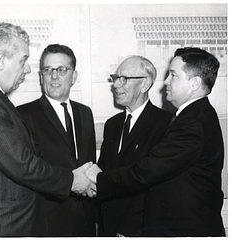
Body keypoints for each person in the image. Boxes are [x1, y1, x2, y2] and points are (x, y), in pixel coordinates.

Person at [0, 23, 95, 237]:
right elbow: (21, 163)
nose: (27, 69)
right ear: (1, 61)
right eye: (23, 60)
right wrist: (72, 180)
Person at [87, 47, 225, 237]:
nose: (165, 82)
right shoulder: (195, 116)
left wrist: (99, 179)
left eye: (173, 76)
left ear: (194, 83)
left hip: (186, 231)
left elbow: (148, 170)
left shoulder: (192, 122)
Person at [17, 44, 96, 237]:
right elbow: (31, 171)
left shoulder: (85, 113)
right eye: (48, 70)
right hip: (47, 222)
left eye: (62, 70)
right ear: (41, 76)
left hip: (85, 219)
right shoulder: (24, 114)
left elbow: (89, 163)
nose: (54, 76)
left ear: (74, 76)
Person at [96, 56, 173, 236]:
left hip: (138, 230)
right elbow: (105, 173)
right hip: (108, 227)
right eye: (115, 78)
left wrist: (129, 230)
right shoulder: (112, 125)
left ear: (145, 84)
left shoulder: (164, 124)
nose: (115, 85)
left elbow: (153, 186)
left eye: (124, 79)